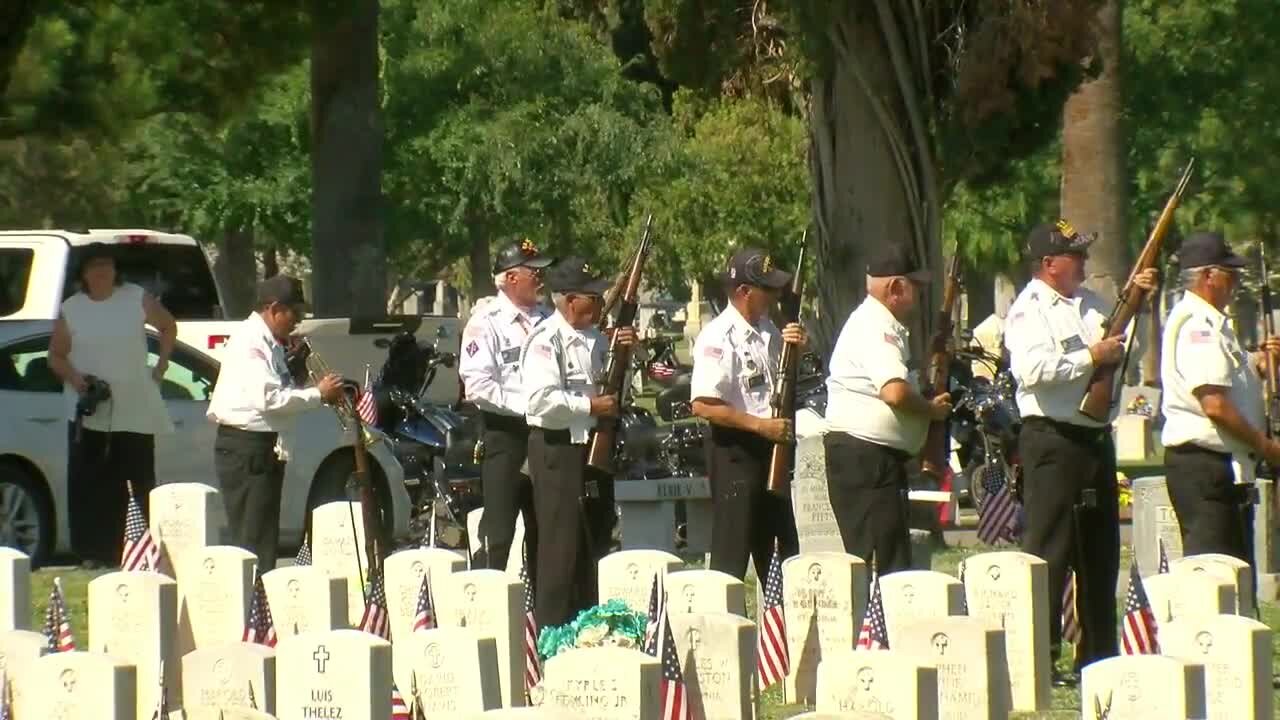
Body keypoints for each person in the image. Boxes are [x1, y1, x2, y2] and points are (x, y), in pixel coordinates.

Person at [1003, 220, 1157, 676]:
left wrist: (1140, 304)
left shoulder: (1090, 304)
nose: (1084, 262)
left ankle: (1099, 652)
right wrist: (1090, 357)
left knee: (1099, 550)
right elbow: (1032, 370)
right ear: (1049, 264)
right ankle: (1040, 656)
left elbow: (1124, 352)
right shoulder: (1029, 310)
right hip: (1051, 439)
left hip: (1092, 439)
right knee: (1049, 551)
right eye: (1075, 255)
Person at [520, 257, 635, 627]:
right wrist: (589, 405)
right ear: (570, 301)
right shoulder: (546, 340)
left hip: (592, 449)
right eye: (593, 296)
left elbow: (616, 388)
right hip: (557, 450)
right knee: (560, 546)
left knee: (594, 538)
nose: (601, 302)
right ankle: (553, 631)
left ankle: (588, 624)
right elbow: (539, 401)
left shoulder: (599, 339)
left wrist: (625, 356)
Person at [48, 242, 178, 568]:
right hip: (90, 409)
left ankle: (137, 549)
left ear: (116, 269)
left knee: (136, 479)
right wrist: (78, 380)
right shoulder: (73, 307)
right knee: (90, 482)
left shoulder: (135, 297)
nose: (102, 271)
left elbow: (167, 326)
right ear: (84, 273)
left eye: (107, 264)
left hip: (133, 405)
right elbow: (56, 355)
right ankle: (92, 553)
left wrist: (161, 363)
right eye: (94, 266)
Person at [824, 245, 951, 574]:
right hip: (866, 460)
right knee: (881, 564)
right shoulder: (877, 326)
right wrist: (929, 411)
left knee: (886, 558)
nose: (920, 294)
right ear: (896, 287)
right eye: (915, 287)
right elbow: (894, 392)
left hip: (871, 459)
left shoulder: (879, 324)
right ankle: (872, 627)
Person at [206, 275, 343, 571]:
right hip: (247, 448)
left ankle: (261, 607)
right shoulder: (252, 342)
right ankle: (253, 610)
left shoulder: (270, 342)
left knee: (264, 538)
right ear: (275, 308)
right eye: (296, 313)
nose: (299, 321)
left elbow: (279, 389)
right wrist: (318, 395)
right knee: (252, 542)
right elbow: (267, 399)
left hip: (264, 448)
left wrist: (297, 375)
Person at [1161, 231, 1280, 561]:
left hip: (1220, 467)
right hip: (1204, 469)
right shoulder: (1198, 326)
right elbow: (1214, 403)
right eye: (1231, 275)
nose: (1236, 282)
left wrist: (1259, 363)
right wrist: (1267, 447)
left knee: (1234, 572)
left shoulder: (1214, 324)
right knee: (1214, 574)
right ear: (1208, 276)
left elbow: (1231, 377)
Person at [690, 248, 806, 582]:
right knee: (732, 555)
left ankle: (782, 629)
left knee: (784, 554)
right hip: (735, 452)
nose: (773, 295)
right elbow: (703, 404)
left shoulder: (770, 329)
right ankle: (725, 629)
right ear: (744, 292)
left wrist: (799, 346)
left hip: (771, 450)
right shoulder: (719, 336)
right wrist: (760, 426)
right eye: (766, 289)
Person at [460, 239, 554, 570]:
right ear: (511, 278)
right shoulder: (486, 322)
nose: (542, 276)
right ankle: (484, 603)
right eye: (534, 271)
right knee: (499, 532)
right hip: (505, 434)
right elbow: (478, 386)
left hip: (547, 434)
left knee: (546, 529)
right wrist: (532, 405)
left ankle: (541, 614)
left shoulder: (550, 318)